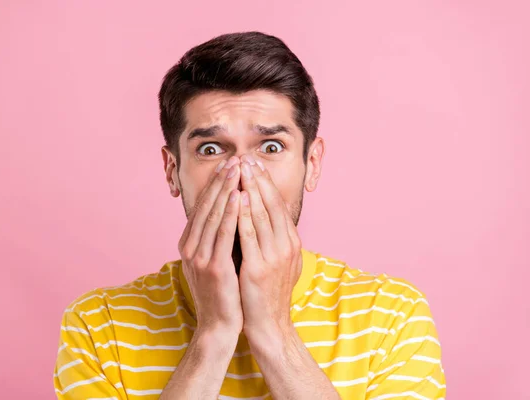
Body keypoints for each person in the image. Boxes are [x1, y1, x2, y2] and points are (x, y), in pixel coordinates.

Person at [53, 31, 446, 400]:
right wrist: (214, 335)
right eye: (211, 149)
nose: (241, 173)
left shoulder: (392, 317)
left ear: (311, 164)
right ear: (172, 171)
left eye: (271, 147)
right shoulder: (97, 324)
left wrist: (274, 333)